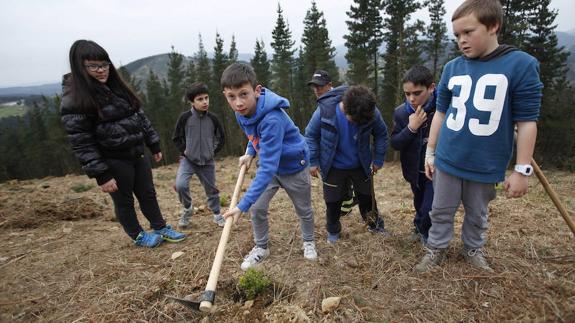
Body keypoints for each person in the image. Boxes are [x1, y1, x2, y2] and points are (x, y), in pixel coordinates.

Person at [415, 0, 543, 273]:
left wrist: (522, 170)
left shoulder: (520, 65)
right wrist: (431, 151)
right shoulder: (452, 68)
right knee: (440, 210)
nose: (462, 40)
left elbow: (527, 122)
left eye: (468, 32)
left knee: (477, 213)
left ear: (493, 26)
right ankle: (436, 247)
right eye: (457, 35)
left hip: (486, 163)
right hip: (449, 158)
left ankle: (472, 248)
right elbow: (440, 113)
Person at [60, 40, 186, 248]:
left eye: (105, 64)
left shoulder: (116, 88)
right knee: (124, 201)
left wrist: (153, 143)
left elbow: (139, 116)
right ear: (80, 67)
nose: (101, 70)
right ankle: (137, 234)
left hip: (137, 153)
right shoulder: (75, 100)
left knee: (148, 194)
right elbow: (81, 142)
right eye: (94, 66)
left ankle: (160, 227)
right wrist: (102, 174)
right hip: (113, 161)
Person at [220, 63, 317, 270]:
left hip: (293, 166)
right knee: (258, 207)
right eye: (231, 96)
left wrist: (240, 206)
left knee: (303, 209)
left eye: (243, 94)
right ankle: (262, 247)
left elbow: (268, 167)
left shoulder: (272, 119)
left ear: (257, 91)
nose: (238, 103)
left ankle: (308, 241)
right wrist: (250, 152)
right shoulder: (242, 112)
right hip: (271, 166)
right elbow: (254, 133)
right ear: (225, 95)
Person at [305, 85, 389, 244]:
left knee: (367, 197)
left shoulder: (370, 112)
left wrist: (378, 159)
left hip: (361, 164)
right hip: (332, 165)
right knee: (333, 201)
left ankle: (375, 226)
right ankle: (333, 231)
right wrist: (313, 161)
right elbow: (310, 135)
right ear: (345, 109)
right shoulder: (325, 111)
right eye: (354, 121)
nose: (358, 124)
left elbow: (381, 134)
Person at [391, 66, 436, 244]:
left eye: (417, 93)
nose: (411, 98)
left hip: (435, 171)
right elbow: (395, 143)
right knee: (419, 203)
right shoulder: (401, 112)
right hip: (413, 172)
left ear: (431, 87)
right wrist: (411, 128)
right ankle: (418, 227)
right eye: (407, 93)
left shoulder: (443, 111)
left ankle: (428, 235)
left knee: (429, 208)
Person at [172, 82, 225, 229]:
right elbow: (176, 137)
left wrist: (212, 151)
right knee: (180, 185)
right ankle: (187, 208)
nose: (205, 102)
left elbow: (222, 137)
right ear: (192, 102)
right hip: (188, 161)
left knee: (211, 189)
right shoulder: (185, 118)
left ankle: (217, 215)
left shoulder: (213, 119)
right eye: (200, 99)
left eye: (206, 98)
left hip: (207, 162)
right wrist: (185, 151)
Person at [307, 70, 357, 217]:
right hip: (329, 159)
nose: (316, 90)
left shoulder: (343, 102)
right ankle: (343, 210)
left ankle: (346, 209)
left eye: (320, 86)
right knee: (335, 189)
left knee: (347, 187)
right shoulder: (321, 107)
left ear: (330, 85)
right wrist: (314, 160)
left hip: (349, 156)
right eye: (314, 87)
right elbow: (311, 135)